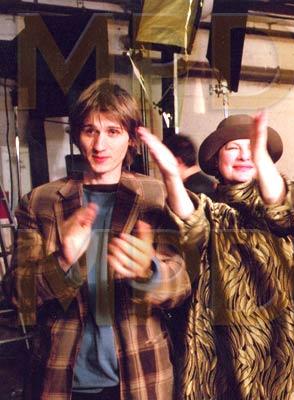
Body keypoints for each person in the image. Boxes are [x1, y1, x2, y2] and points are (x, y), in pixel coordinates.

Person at [3, 79, 191, 399]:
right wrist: (62, 261)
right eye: (90, 130)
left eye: (113, 131)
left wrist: (150, 272)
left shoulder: (155, 196)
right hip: (62, 378)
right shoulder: (40, 202)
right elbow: (17, 294)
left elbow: (182, 286)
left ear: (131, 139)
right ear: (77, 135)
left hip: (142, 375)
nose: (100, 145)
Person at [139, 113, 294, 399]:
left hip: (278, 355)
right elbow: (191, 225)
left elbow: (282, 212)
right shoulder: (210, 209)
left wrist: (260, 157)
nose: (244, 155)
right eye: (233, 148)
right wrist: (171, 176)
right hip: (219, 358)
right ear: (217, 160)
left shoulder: (290, 195)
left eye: (252, 147)